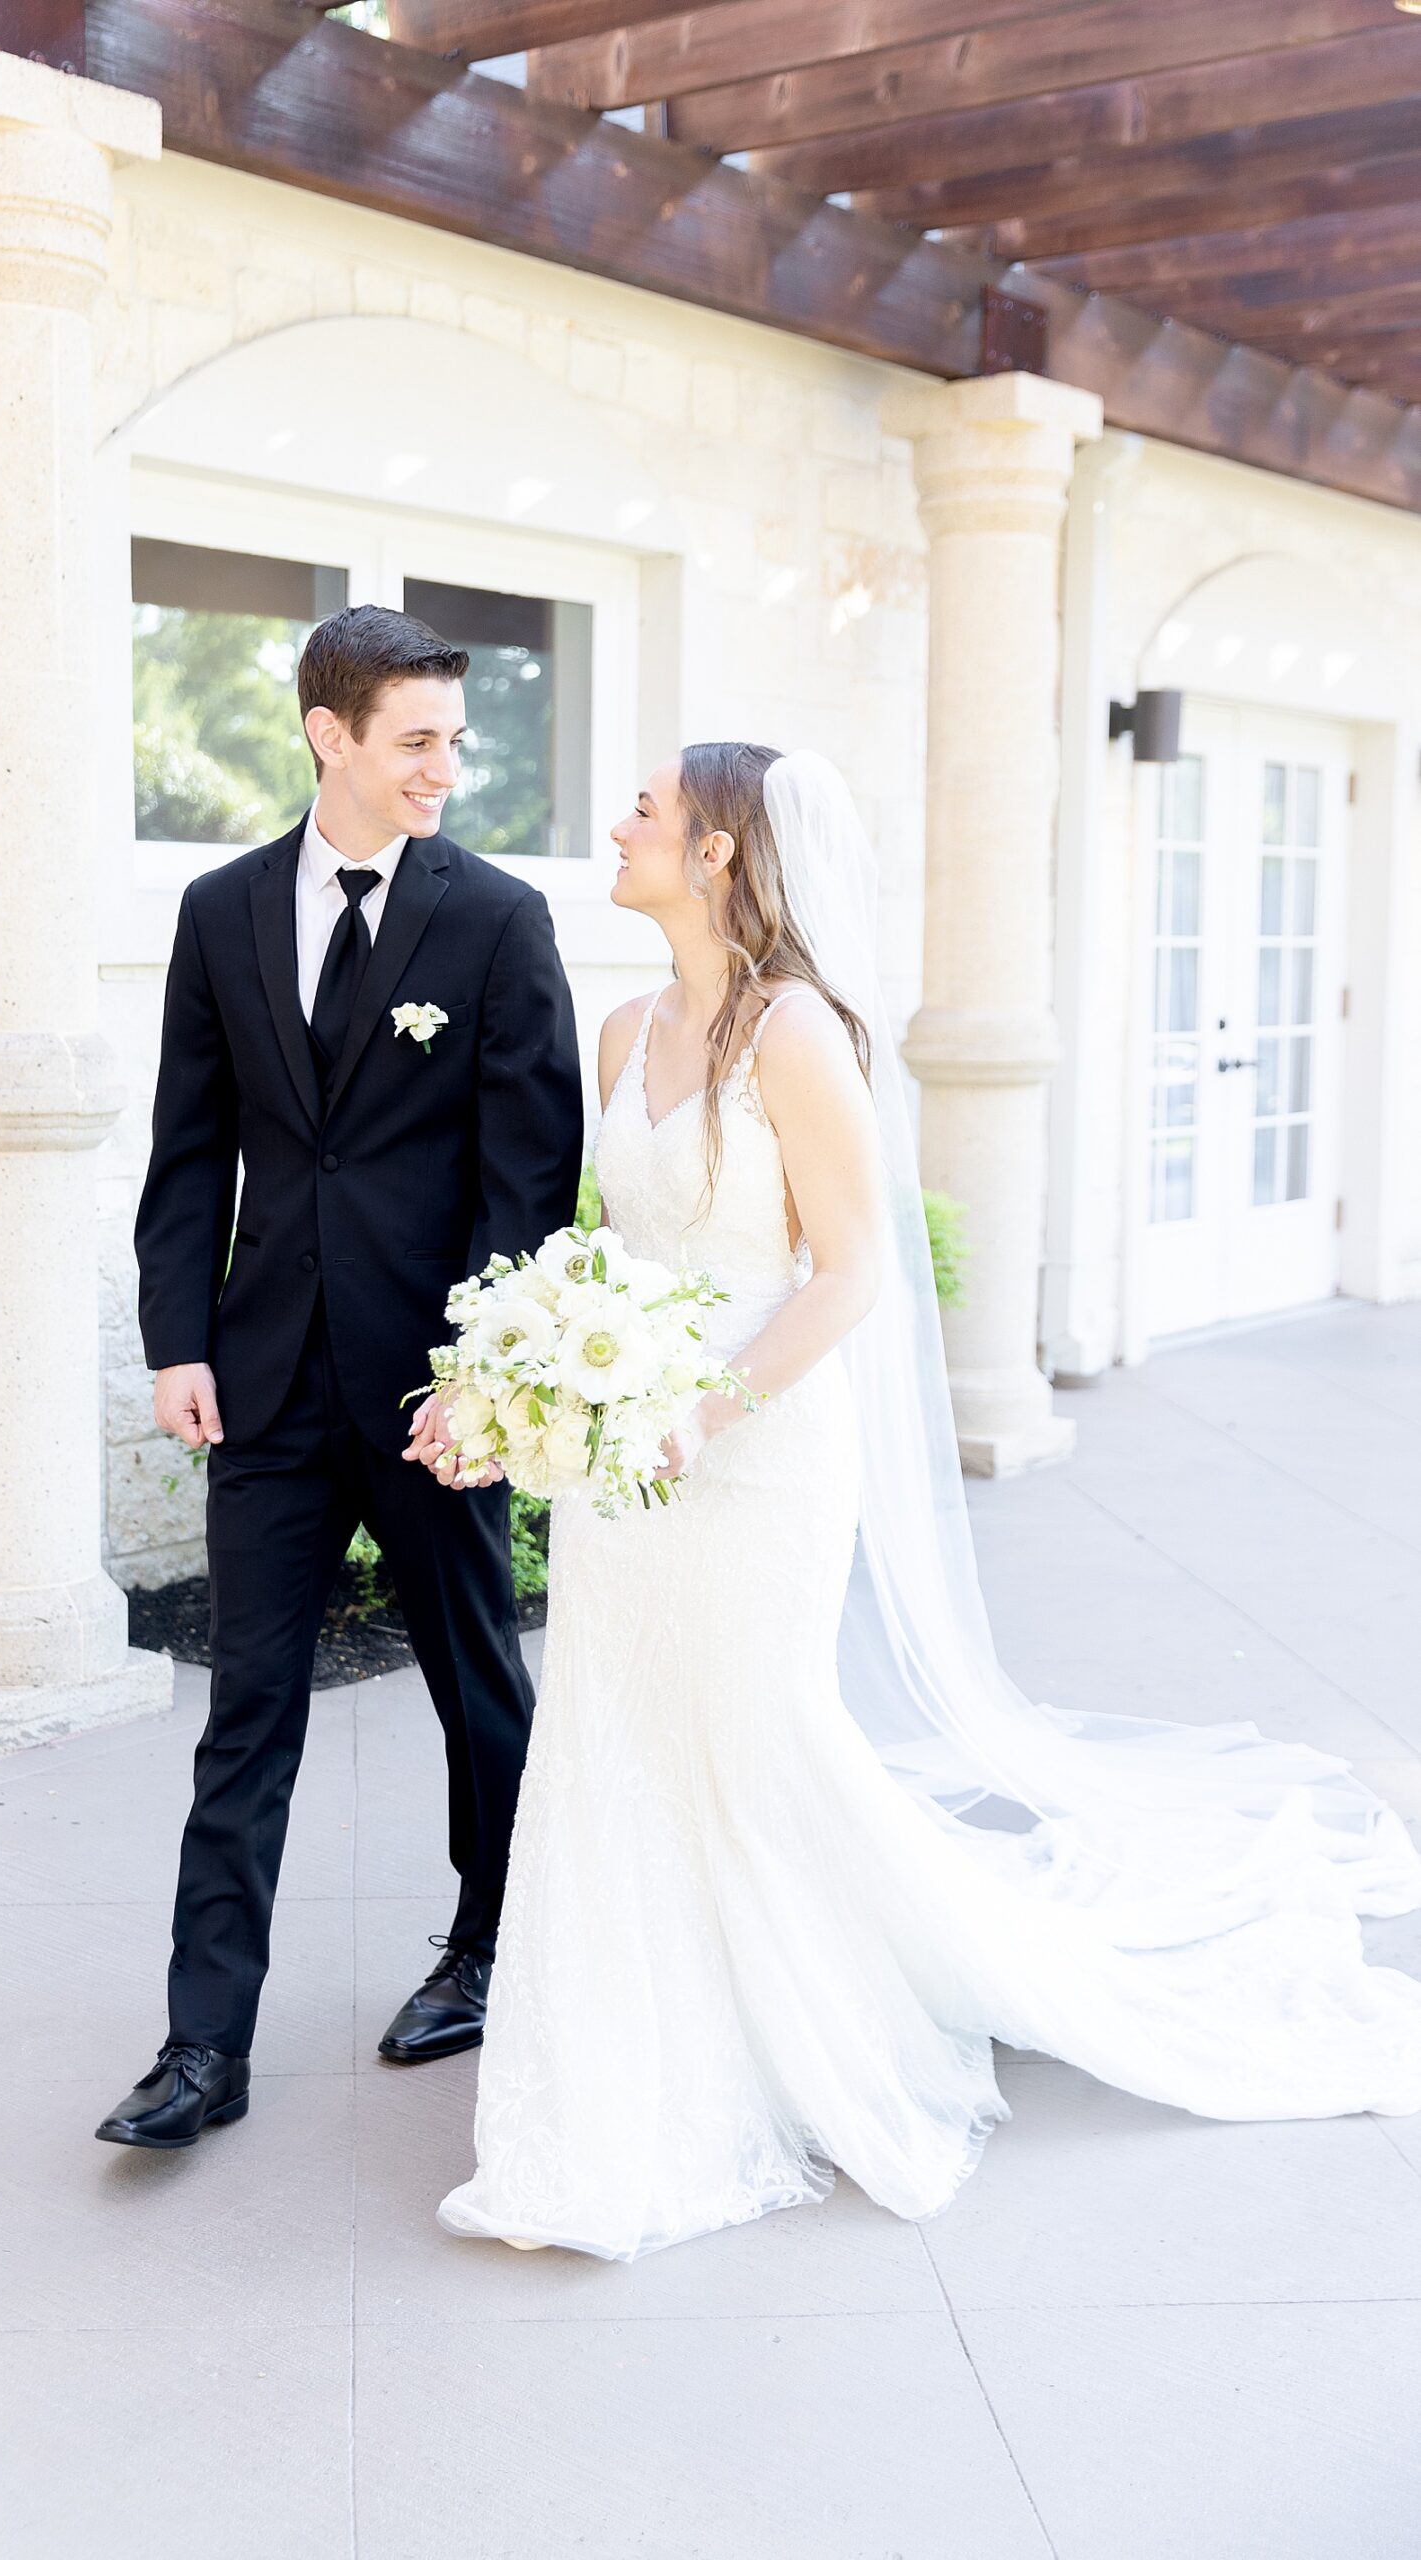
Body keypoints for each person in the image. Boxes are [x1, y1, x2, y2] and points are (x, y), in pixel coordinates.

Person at [438, 742, 1421, 2260]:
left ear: (716, 853)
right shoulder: (625, 1022)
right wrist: (529, 1384)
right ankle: (639, 2032)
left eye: (648, 806)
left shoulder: (800, 1038)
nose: (618, 825)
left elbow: (852, 1274)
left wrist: (711, 1406)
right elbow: (610, 1251)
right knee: (619, 1728)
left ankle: (818, 2020)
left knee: (754, 1735)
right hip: (630, 1454)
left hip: (755, 1448)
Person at [97, 605, 582, 2149]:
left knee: (475, 1685)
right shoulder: (220, 909)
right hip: (259, 1387)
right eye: (419, 739)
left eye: (456, 737)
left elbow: (530, 1178)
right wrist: (178, 1336)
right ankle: (201, 2047)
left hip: (434, 1395)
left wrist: (484, 1379)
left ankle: (493, 1947)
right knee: (246, 1711)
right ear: (331, 736)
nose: (449, 765)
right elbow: (188, 1149)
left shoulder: (497, 920)